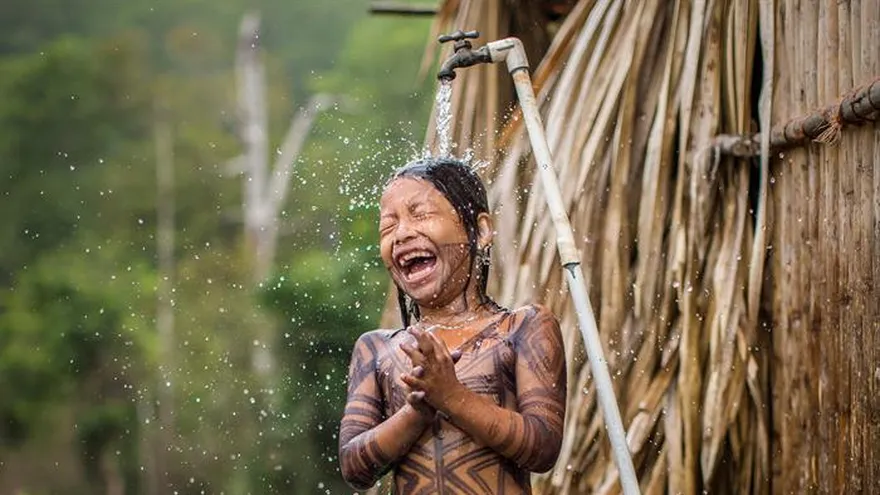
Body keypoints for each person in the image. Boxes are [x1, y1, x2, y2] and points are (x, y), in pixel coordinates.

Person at [338, 157, 567, 494]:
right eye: (388, 226)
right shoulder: (376, 349)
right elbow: (354, 467)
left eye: (421, 214)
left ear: (482, 230)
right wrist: (415, 412)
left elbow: (543, 447)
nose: (401, 234)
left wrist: (451, 396)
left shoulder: (520, 329)